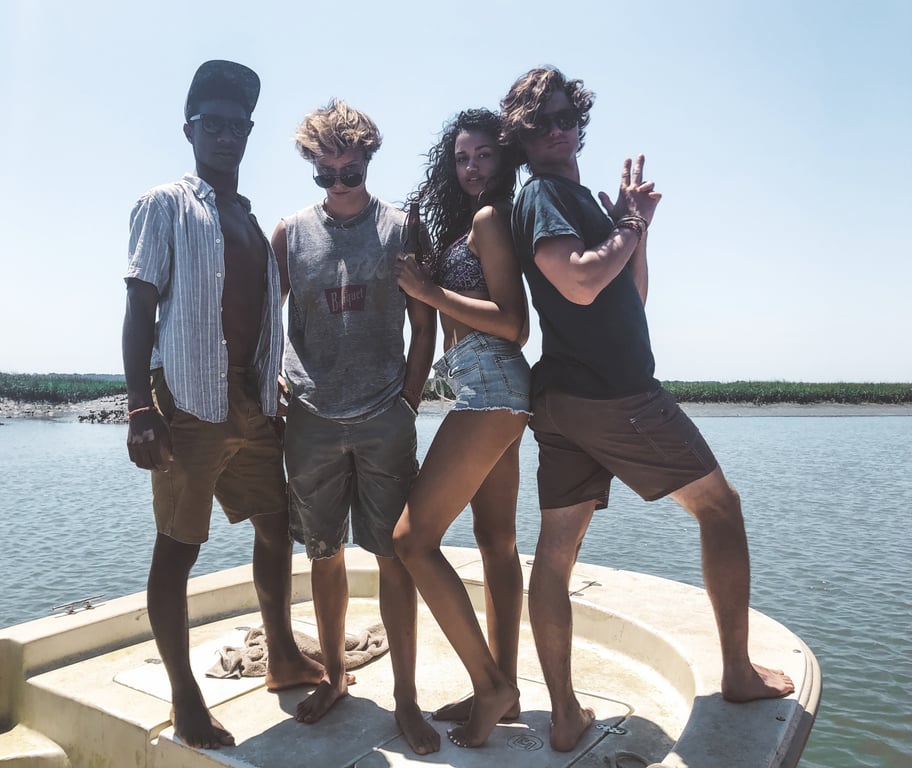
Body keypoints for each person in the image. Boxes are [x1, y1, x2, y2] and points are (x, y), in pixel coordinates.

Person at [499, 66, 796, 752]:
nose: (558, 128)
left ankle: (567, 716)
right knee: (720, 507)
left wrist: (639, 228)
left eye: (567, 114)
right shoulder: (543, 194)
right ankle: (739, 672)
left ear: (580, 117)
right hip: (613, 393)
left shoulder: (575, 197)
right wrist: (626, 222)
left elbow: (628, 292)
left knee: (556, 550)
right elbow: (577, 281)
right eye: (541, 121)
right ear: (523, 134)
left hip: (568, 398)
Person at [121, 60, 324, 750]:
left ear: (248, 132)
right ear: (190, 130)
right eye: (214, 124)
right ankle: (185, 699)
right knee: (177, 549)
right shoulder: (165, 204)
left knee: (275, 526)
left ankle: (284, 654)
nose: (227, 135)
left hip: (252, 404)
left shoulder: (246, 218)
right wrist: (138, 409)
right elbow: (139, 307)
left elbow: (264, 317)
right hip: (187, 406)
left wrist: (272, 393)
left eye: (238, 125)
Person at [270, 98, 440, 756]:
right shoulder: (291, 234)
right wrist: (274, 383)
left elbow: (422, 323)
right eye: (325, 174)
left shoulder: (403, 228)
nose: (339, 184)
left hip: (384, 418)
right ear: (313, 168)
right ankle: (337, 676)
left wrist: (410, 400)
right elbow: (265, 322)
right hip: (309, 420)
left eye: (350, 171)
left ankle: (404, 697)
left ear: (368, 160)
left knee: (394, 556)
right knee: (322, 553)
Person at [392, 109, 530, 748]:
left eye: (483, 156)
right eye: (461, 158)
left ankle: (491, 684)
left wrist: (429, 290)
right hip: (487, 388)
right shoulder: (470, 223)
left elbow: (513, 322)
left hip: (492, 385)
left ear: (503, 160)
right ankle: (500, 688)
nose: (471, 168)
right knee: (495, 540)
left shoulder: (489, 219)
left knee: (412, 541)